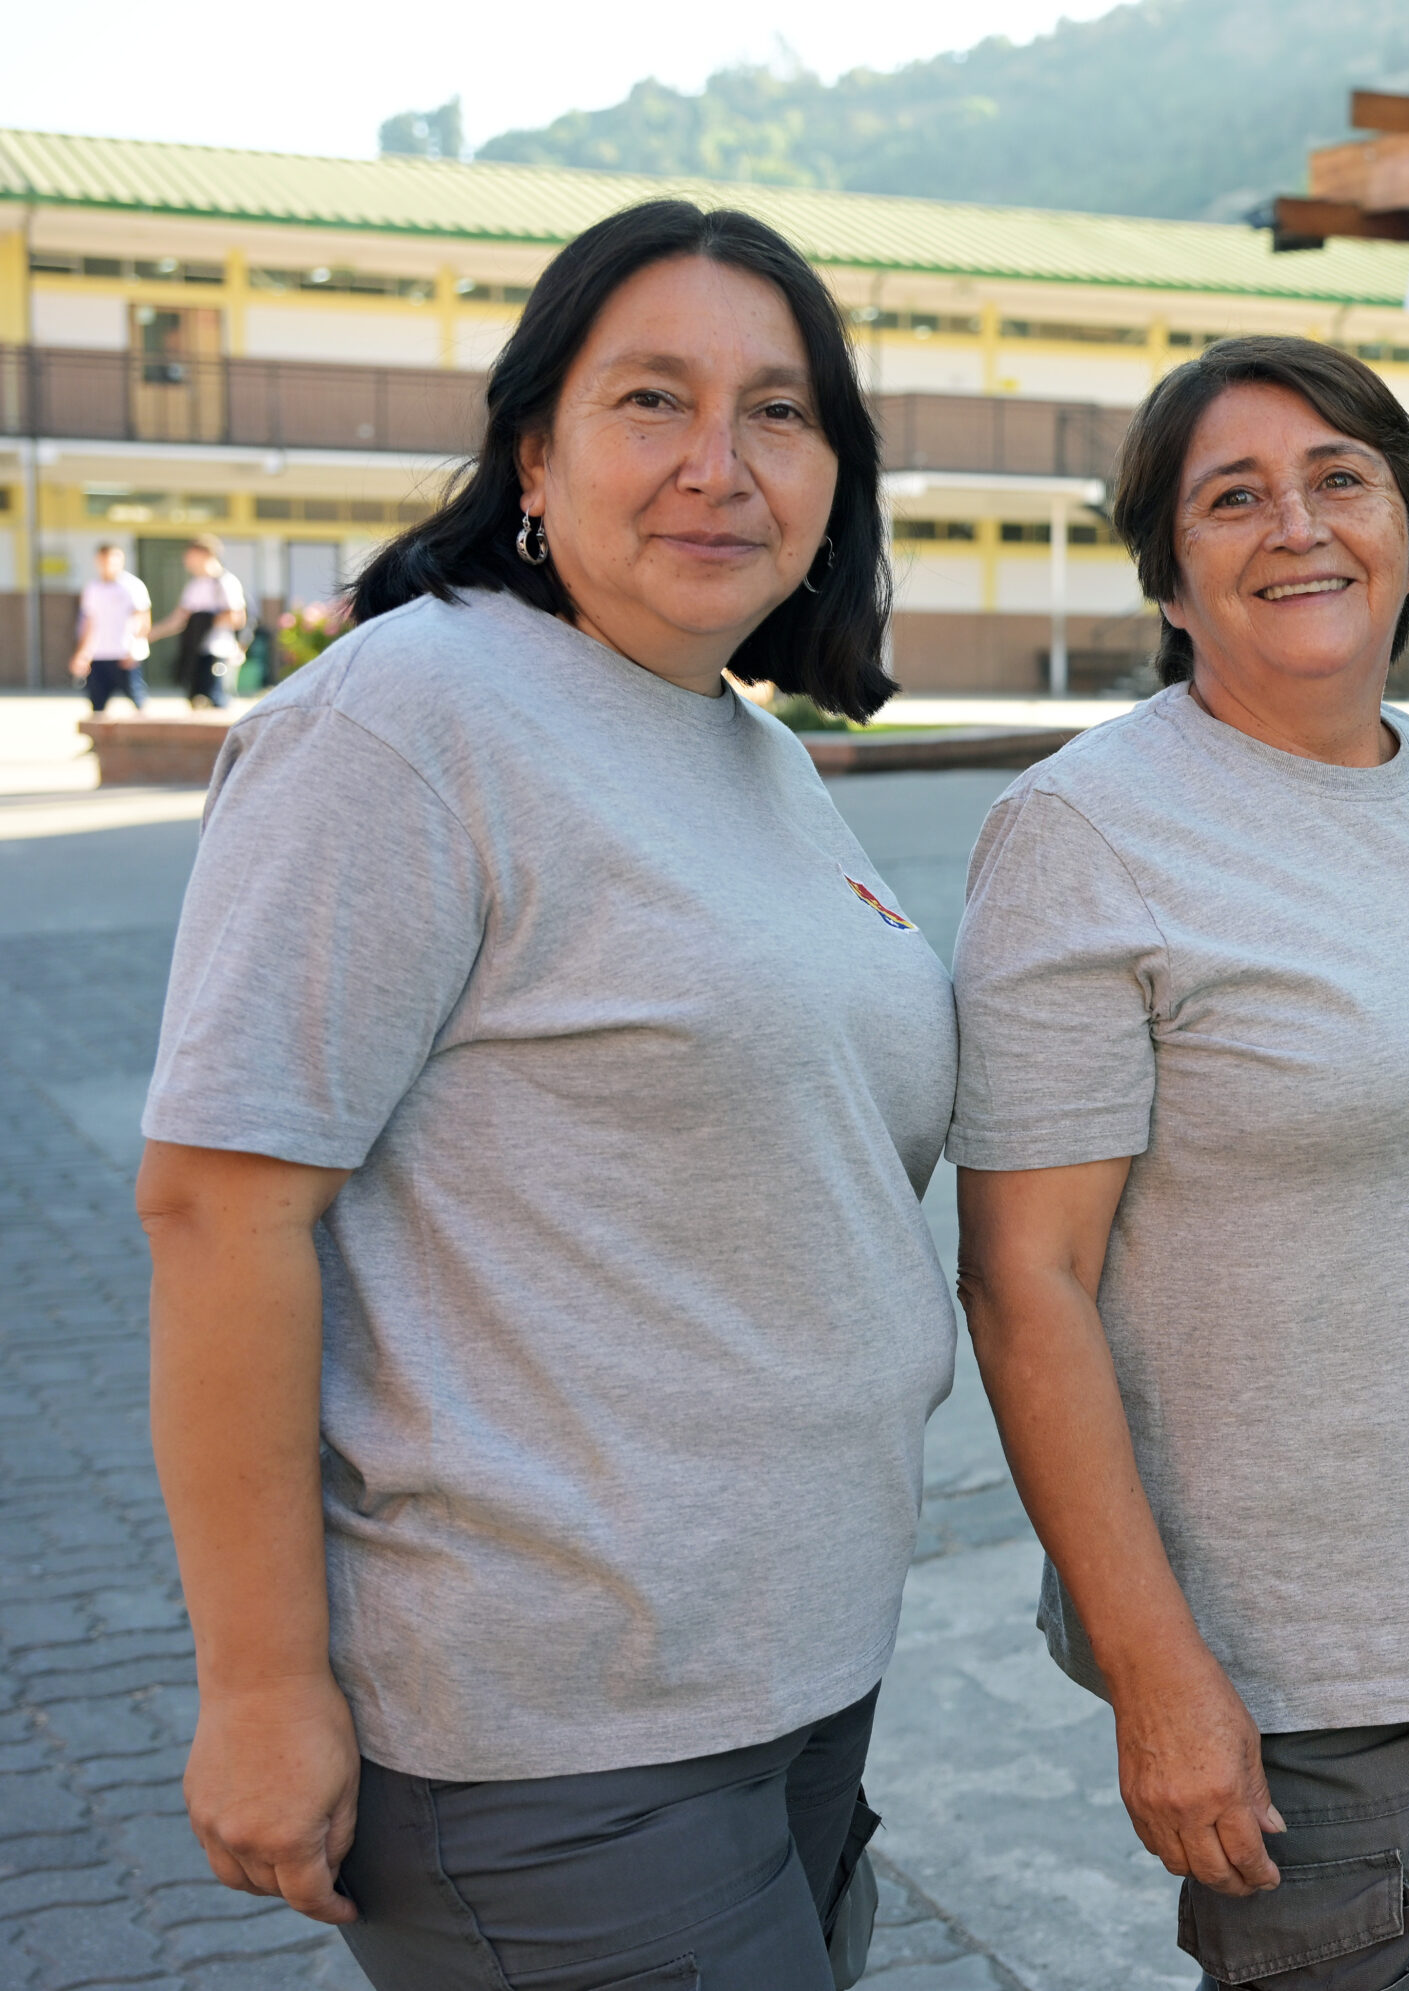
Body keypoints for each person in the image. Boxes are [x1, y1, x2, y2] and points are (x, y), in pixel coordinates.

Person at [139, 199, 950, 1990]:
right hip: (550, 1724)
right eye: (652, 399)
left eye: (779, 410)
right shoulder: (408, 720)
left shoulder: (747, 748)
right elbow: (217, 1209)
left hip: (792, 1674)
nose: (719, 463)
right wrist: (260, 1685)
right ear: (533, 450)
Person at [951, 335, 1409, 1991]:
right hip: (1289, 1658)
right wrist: (1156, 1668)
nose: (1299, 525)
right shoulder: (1087, 829)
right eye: (1233, 497)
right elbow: (1025, 1279)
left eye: (1340, 477)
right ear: (1168, 577)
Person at [151, 536, 250, 707]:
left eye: (190, 556)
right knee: (195, 700)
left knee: (216, 700)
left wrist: (204, 621)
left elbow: (237, 618)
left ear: (205, 554)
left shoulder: (225, 582)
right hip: (196, 652)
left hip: (218, 651)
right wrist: (152, 633)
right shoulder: (194, 586)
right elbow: (180, 619)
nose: (187, 561)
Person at [72, 543, 152, 711]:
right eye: (104, 561)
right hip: (98, 655)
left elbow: (143, 619)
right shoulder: (92, 588)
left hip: (124, 654)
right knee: (97, 706)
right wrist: (82, 653)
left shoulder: (132, 586)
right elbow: (88, 623)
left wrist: (135, 648)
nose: (108, 565)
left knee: (137, 702)